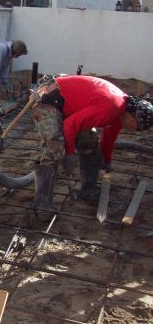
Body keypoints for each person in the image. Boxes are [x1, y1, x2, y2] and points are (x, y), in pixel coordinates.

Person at [32, 75, 153, 218]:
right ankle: (43, 205)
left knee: (90, 143)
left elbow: (108, 138)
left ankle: (87, 191)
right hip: (49, 99)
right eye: (135, 125)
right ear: (132, 116)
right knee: (54, 147)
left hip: (68, 105)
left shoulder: (122, 110)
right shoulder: (111, 108)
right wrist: (70, 154)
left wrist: (106, 160)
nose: (133, 129)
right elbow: (69, 125)